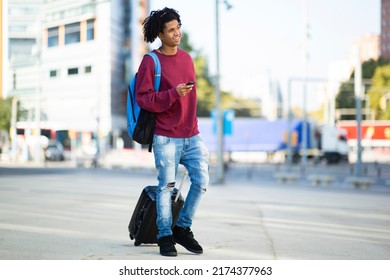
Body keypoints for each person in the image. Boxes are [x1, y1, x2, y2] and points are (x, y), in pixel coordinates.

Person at [135, 7, 210, 257]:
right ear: (160, 34)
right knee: (166, 186)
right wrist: (172, 93)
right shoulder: (151, 61)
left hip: (191, 133)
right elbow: (144, 98)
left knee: (201, 181)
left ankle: (182, 228)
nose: (177, 33)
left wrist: (192, 124)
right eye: (171, 30)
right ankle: (164, 235)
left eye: (178, 27)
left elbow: (191, 99)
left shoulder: (187, 59)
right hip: (166, 136)